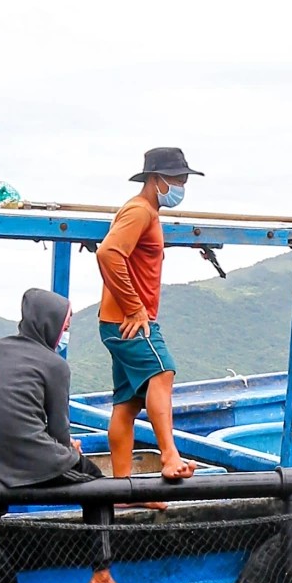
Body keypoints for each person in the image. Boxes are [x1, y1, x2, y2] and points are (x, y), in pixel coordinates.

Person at [0, 289, 129, 583]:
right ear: (48, 325)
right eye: (64, 327)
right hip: (28, 456)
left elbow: (6, 413)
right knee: (98, 486)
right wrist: (69, 450)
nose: (64, 334)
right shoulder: (55, 365)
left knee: (27, 455)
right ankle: (102, 573)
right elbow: (58, 428)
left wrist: (62, 447)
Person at [99, 147, 199, 486]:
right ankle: (169, 455)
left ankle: (123, 488)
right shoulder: (140, 211)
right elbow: (109, 252)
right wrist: (134, 307)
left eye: (184, 179)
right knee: (163, 371)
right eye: (175, 179)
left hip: (115, 321)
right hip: (129, 320)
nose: (181, 185)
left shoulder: (145, 214)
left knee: (127, 404)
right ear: (155, 179)